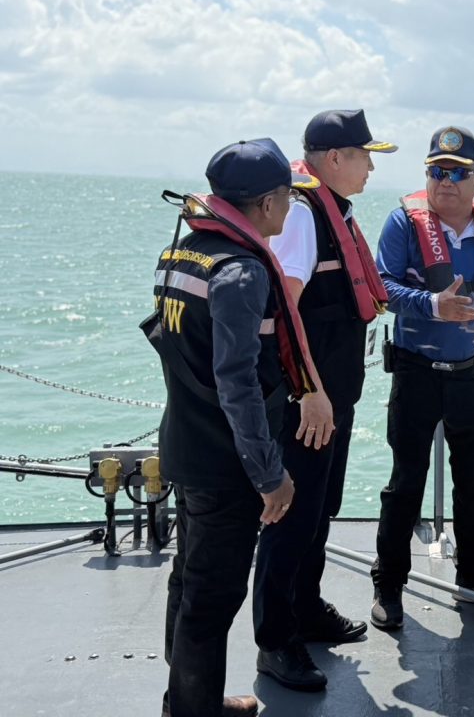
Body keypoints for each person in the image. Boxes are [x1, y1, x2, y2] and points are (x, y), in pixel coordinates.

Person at [146, 138, 324, 716]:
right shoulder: (242, 272)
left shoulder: (182, 252)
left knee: (188, 582)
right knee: (212, 598)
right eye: (290, 198)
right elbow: (238, 385)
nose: (292, 208)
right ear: (268, 203)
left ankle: (188, 699)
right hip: (227, 466)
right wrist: (270, 475)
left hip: (185, 444)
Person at [253, 110, 395, 690]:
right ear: (334, 158)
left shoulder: (333, 210)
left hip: (333, 398)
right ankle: (275, 642)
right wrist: (310, 390)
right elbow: (287, 310)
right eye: (364, 156)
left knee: (319, 509)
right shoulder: (302, 217)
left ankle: (305, 609)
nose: (370, 169)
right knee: (291, 517)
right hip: (307, 402)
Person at [370, 126, 474, 630]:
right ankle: (388, 584)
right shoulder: (403, 223)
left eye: (458, 173)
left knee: (472, 485)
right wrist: (432, 305)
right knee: (405, 484)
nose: (446, 181)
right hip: (416, 373)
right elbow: (381, 288)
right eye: (437, 171)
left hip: (470, 376)